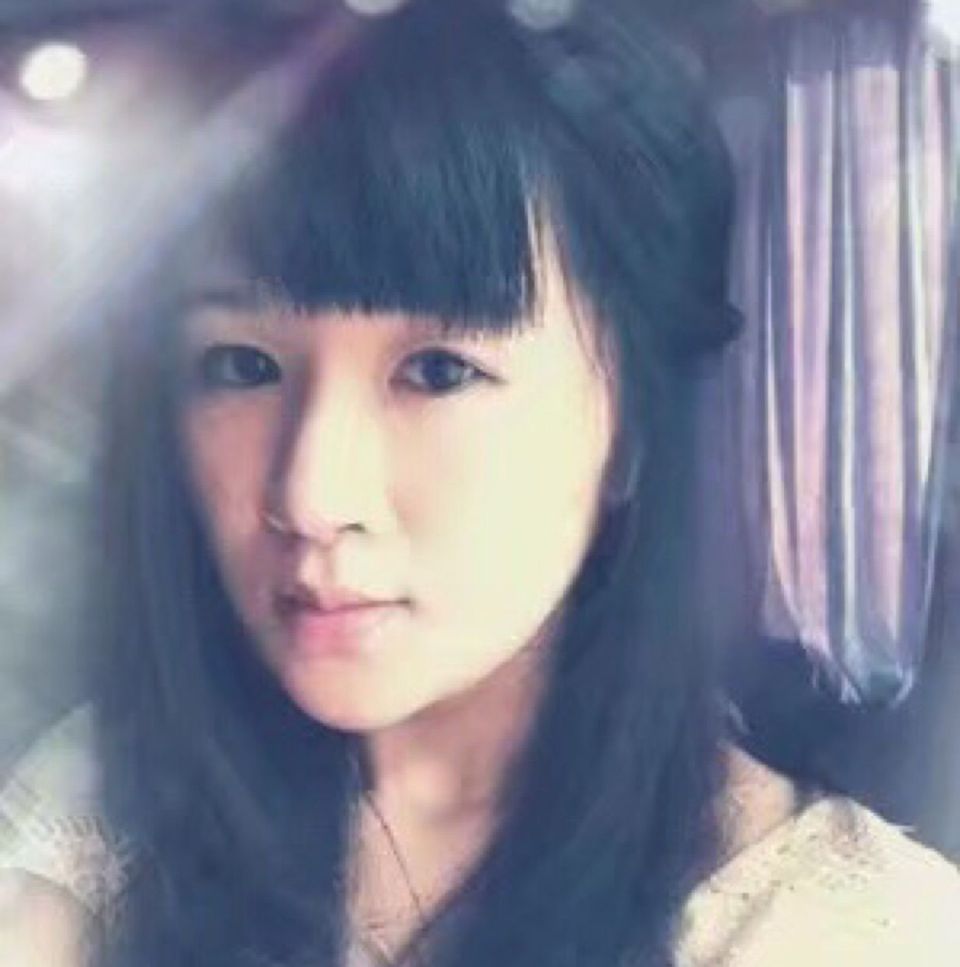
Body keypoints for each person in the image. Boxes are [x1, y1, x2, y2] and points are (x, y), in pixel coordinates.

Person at [2, 1, 959, 965]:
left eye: (438, 371)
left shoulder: (842, 932)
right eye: (243, 365)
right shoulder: (102, 810)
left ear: (632, 425)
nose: (312, 497)